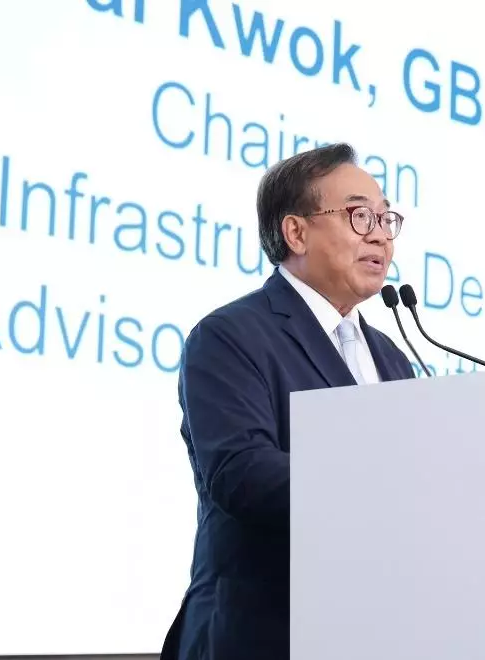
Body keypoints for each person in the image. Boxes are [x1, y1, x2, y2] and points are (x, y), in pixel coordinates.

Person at [159, 143, 416, 660]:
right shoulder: (230, 336)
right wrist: (381, 489)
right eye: (359, 216)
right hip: (261, 634)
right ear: (296, 232)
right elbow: (242, 473)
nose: (380, 235)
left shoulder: (392, 358)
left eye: (386, 219)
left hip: (368, 633)